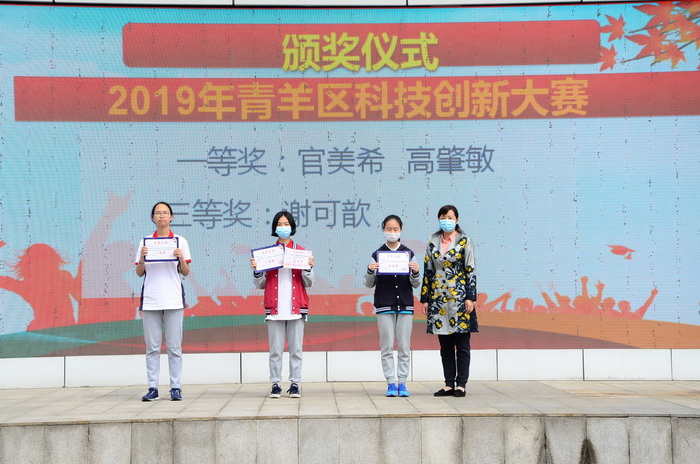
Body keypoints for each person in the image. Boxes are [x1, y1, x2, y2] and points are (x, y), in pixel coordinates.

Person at [251, 211, 314, 398]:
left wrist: (308, 267)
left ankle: (295, 383)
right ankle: (276, 384)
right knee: (275, 351)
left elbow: (309, 282)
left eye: (286, 224)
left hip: (297, 308)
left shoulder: (301, 252)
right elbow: (261, 284)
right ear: (274, 228)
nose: (283, 227)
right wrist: (257, 271)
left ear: (292, 227)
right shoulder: (268, 254)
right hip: (275, 309)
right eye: (280, 224)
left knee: (296, 350)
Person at [135, 202, 191, 401]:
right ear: (153, 217)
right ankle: (153, 387)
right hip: (151, 300)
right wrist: (142, 258)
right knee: (152, 347)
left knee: (174, 347)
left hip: (173, 299)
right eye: (158, 213)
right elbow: (139, 272)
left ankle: (176, 387)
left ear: (171, 217)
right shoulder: (145, 242)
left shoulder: (179, 241)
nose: (161, 216)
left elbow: (186, 272)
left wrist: (181, 258)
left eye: (165, 213)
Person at [420, 205, 478, 397]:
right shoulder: (432, 241)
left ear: (457, 220)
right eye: (443, 217)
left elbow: (470, 269)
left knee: (462, 344)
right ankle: (448, 384)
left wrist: (471, 297)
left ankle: (461, 384)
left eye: (450, 217)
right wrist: (425, 298)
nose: (447, 220)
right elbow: (428, 270)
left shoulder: (465, 241)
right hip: (438, 298)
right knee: (445, 345)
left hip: (460, 297)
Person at [364, 215, 420, 397]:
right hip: (384, 306)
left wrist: (415, 272)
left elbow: (416, 283)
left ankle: (402, 383)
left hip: (405, 305)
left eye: (395, 229)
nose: (392, 232)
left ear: (401, 230)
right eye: (389, 229)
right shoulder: (377, 255)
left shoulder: (408, 254)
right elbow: (369, 284)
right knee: (386, 346)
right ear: (383, 230)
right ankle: (390, 383)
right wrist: (370, 271)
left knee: (404, 346)